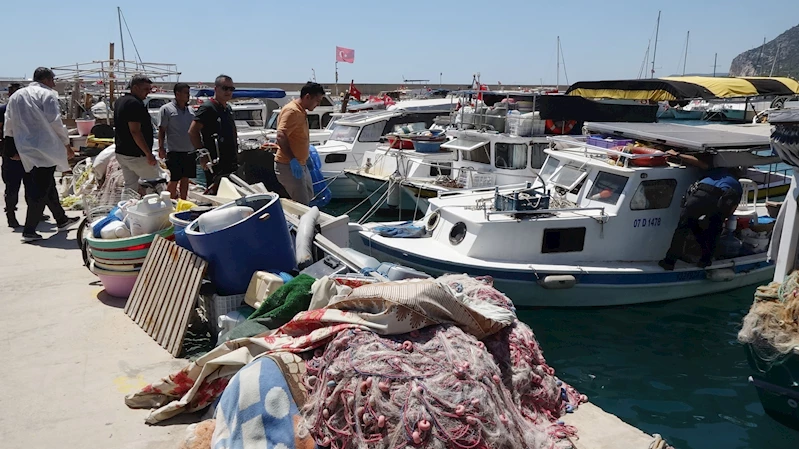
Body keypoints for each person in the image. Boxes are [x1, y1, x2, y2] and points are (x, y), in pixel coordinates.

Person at [4, 67, 79, 242]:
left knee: (46, 183)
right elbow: (56, 122)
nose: (54, 83)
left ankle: (61, 219)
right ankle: (29, 230)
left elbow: (9, 123)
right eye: (53, 79)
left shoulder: (16, 96)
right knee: (40, 189)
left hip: (25, 147)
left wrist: (10, 148)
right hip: (45, 147)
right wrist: (67, 145)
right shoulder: (48, 95)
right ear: (45, 79)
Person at [659, 150, 743, 271]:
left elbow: (699, 163)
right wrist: (721, 219)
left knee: (683, 228)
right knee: (713, 231)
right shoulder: (737, 184)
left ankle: (669, 262)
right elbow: (731, 209)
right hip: (721, 200)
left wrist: (677, 154)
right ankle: (705, 261)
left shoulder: (714, 171)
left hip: (700, 195)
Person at [274, 81, 325, 205]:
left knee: (309, 195)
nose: (318, 104)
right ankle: (298, 222)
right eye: (317, 101)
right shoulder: (292, 111)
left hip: (301, 164)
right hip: (288, 165)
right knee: (302, 204)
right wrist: (292, 159)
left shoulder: (301, 111)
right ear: (307, 97)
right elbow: (281, 136)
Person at [189, 74, 238, 192]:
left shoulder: (228, 108)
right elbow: (192, 131)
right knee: (215, 191)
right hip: (215, 160)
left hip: (230, 159)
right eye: (225, 88)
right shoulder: (208, 107)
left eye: (231, 89)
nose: (228, 92)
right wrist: (202, 154)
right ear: (216, 89)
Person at [114, 74, 160, 196]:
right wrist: (148, 154)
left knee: (130, 187)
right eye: (145, 89)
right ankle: (158, 211)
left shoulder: (120, 101)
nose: (148, 93)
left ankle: (124, 210)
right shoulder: (134, 104)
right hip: (136, 155)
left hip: (122, 152)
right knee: (157, 183)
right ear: (135, 88)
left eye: (149, 90)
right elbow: (135, 131)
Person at [158, 83, 194, 199]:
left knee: (186, 179)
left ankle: (183, 201)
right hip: (174, 150)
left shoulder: (191, 110)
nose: (188, 96)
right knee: (174, 179)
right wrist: (161, 148)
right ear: (177, 94)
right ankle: (169, 202)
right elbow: (162, 130)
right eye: (186, 93)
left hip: (189, 150)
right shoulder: (166, 109)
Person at [1, 82, 31, 227]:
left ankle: (35, 213)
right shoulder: (3, 110)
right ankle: (11, 215)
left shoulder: (28, 110)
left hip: (27, 153)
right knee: (12, 187)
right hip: (11, 153)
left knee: (31, 185)